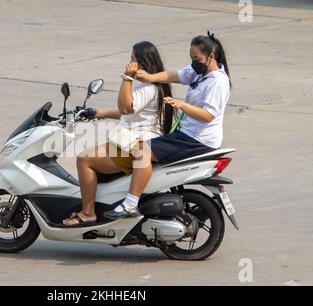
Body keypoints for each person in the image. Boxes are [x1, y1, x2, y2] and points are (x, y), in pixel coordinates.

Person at [104, 31, 232, 220]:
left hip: (197, 139)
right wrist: (150, 78)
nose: (193, 62)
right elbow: (174, 76)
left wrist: (182, 105)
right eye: (191, 57)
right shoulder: (199, 72)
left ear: (210, 56)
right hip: (187, 134)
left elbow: (208, 116)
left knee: (142, 152)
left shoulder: (218, 82)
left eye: (196, 58)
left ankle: (130, 204)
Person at [62, 41, 174, 226]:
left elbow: (125, 106)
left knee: (84, 159)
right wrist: (102, 113)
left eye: (133, 59)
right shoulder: (156, 86)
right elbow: (129, 112)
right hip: (137, 141)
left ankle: (87, 213)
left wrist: (127, 78)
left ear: (143, 62)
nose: (129, 62)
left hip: (136, 144)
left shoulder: (147, 88)